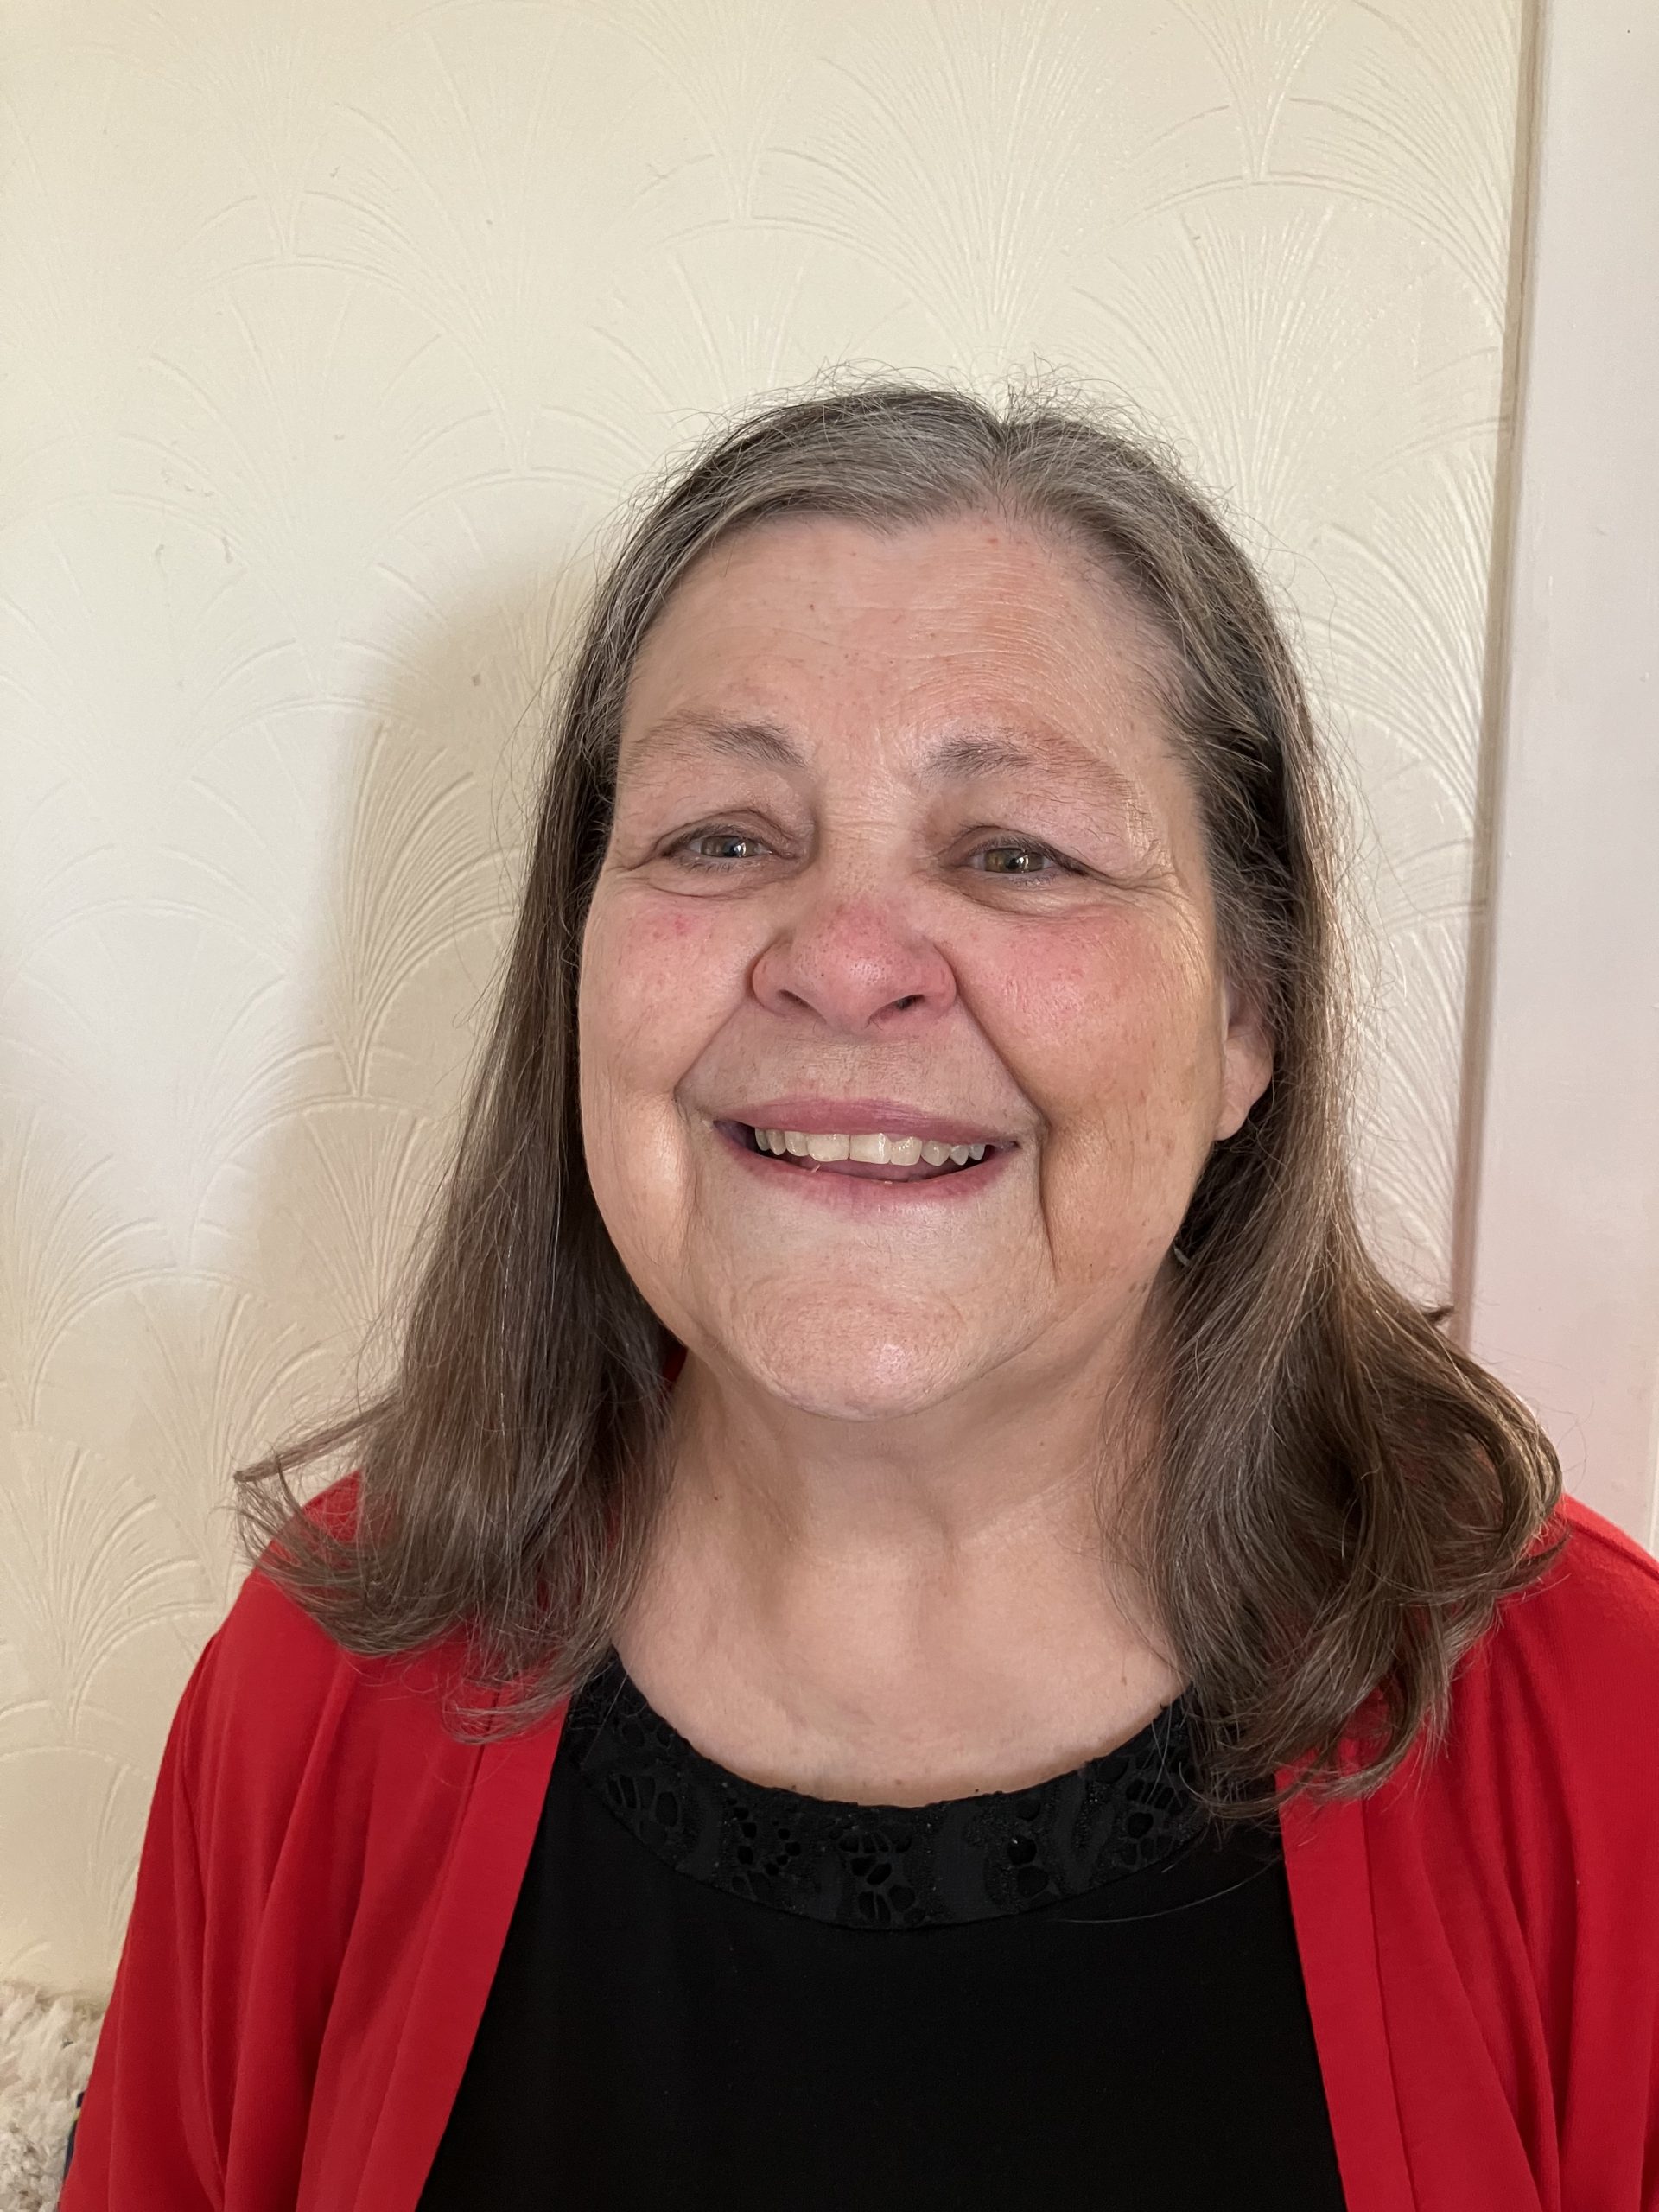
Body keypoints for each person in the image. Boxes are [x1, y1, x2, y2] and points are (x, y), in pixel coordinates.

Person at [61, 382, 1659, 2211]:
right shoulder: (316, 1696)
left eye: (1016, 852)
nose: (840, 959)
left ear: (1248, 1018)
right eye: (724, 834)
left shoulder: (1613, 1761)